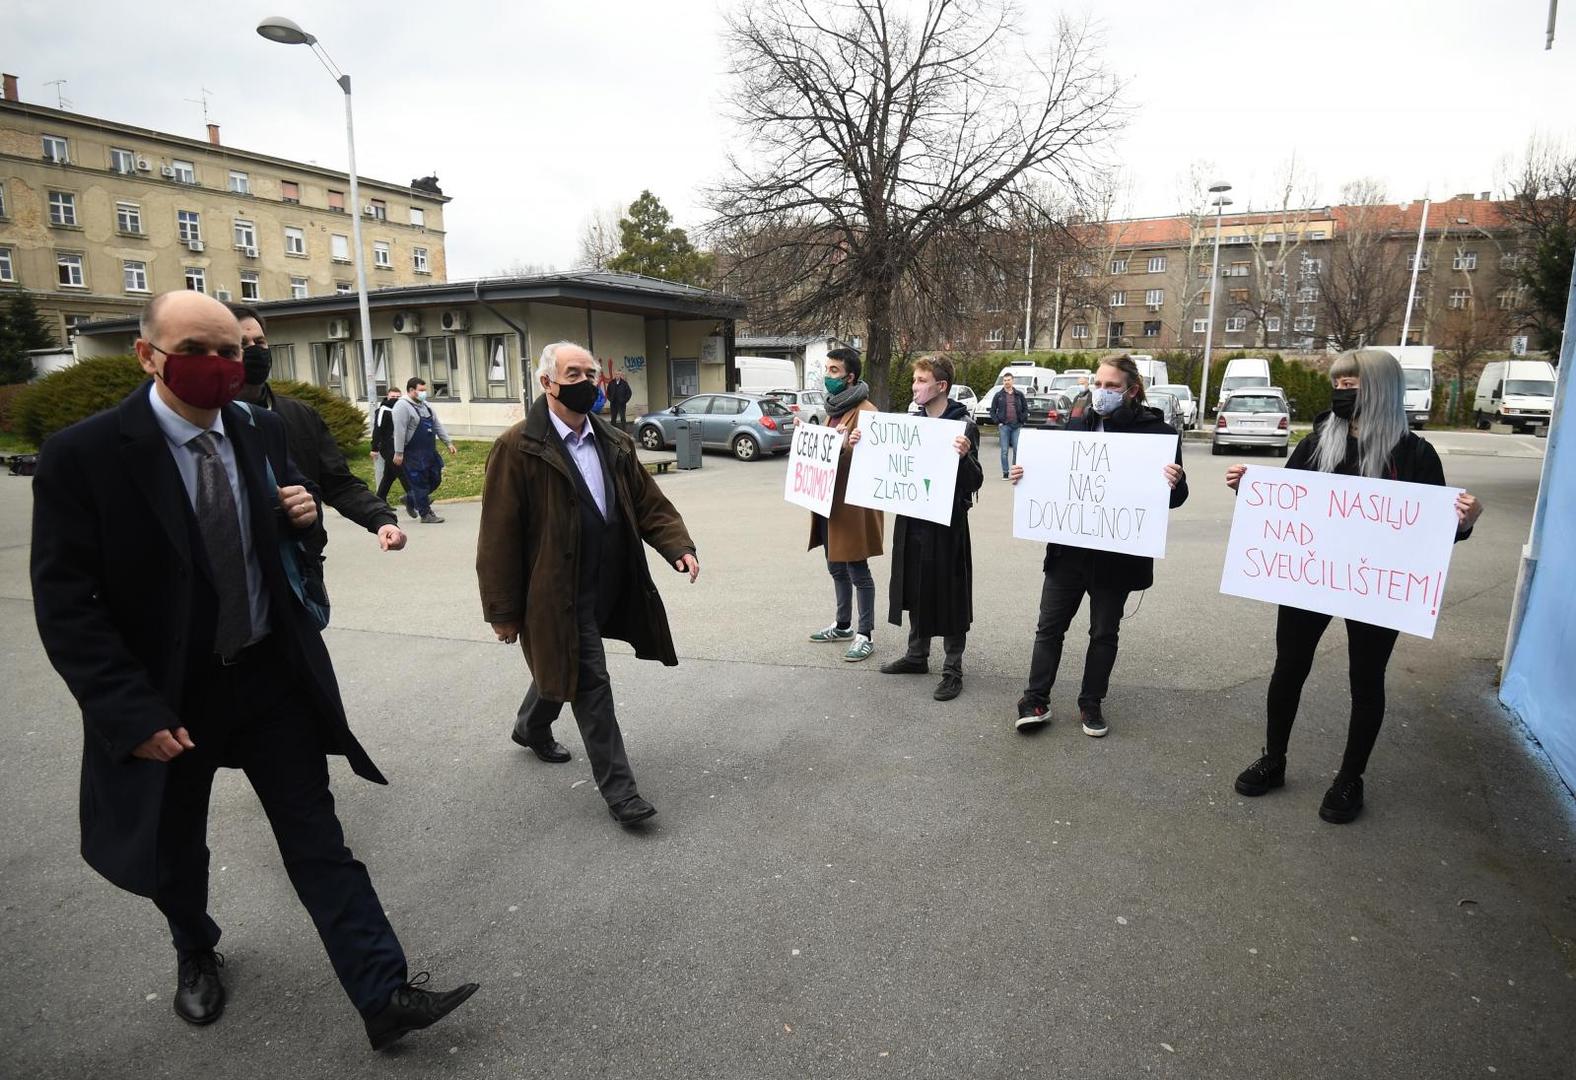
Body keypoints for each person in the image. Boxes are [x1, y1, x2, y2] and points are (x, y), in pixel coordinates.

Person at [29, 290, 476, 1050]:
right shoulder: (87, 455)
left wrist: (297, 522)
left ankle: (384, 993)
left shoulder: (261, 429)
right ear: (148, 355)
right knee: (177, 847)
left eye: (232, 351)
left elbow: (271, 545)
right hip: (171, 695)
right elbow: (68, 604)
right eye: (198, 350)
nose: (221, 365)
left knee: (318, 840)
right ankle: (195, 948)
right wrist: (128, 712)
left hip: (269, 676)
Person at [1227, 348, 1483, 824]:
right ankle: (1274, 758)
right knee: (1289, 666)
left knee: (1365, 681)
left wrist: (1466, 521)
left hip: (1376, 588)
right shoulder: (1318, 441)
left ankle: (1350, 777)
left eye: (1353, 383)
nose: (1342, 391)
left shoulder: (1415, 454)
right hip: (1312, 579)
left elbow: (1435, 530)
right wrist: (1251, 490)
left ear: (1381, 389)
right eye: (1338, 383)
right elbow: (1287, 503)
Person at [477, 341, 700, 827]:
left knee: (563, 665)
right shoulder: (517, 448)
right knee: (591, 681)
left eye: (590, 374)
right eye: (572, 374)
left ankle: (530, 726)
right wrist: (502, 611)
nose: (585, 383)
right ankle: (622, 794)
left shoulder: (612, 441)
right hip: (557, 591)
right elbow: (498, 536)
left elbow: (648, 503)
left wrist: (678, 547)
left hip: (609, 581)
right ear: (546, 383)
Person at [1010, 355, 1187, 738]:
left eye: (1111, 386)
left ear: (1132, 391)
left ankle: (1091, 703)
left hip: (1116, 557)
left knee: (1104, 632)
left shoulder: (1156, 435)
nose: (1101, 393)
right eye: (1098, 384)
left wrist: (1176, 481)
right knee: (1049, 628)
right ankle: (1035, 699)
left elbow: (1175, 499)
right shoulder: (1079, 423)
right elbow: (1053, 477)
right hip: (1068, 551)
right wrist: (1025, 475)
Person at [230, 305, 405, 552]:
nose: (254, 351)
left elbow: (339, 484)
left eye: (259, 342)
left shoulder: (299, 415)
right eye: (242, 344)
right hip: (244, 566)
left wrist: (381, 520)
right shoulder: (211, 422)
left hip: (304, 565)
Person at [876, 356, 983, 700]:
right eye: (914, 380)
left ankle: (953, 667)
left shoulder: (962, 426)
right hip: (912, 521)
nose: (915, 386)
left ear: (941, 387)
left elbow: (974, 481)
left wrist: (965, 456)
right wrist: (861, 443)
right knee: (916, 586)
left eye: (921, 380)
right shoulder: (912, 424)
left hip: (947, 525)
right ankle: (916, 655)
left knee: (950, 592)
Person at [805, 346, 883, 662]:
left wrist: (848, 447)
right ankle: (843, 625)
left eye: (834, 371)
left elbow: (874, 461)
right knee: (835, 566)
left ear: (850, 377)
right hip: (829, 503)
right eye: (827, 370)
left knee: (857, 570)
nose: (828, 376)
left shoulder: (868, 412)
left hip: (853, 508)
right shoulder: (834, 410)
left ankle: (865, 634)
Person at [391, 377, 457, 524]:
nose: (423, 393)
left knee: (435, 479)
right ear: (411, 390)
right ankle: (426, 514)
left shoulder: (426, 405)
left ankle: (410, 498)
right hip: (412, 453)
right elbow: (399, 432)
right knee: (419, 483)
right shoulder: (402, 407)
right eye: (420, 390)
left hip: (429, 452)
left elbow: (437, 425)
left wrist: (448, 443)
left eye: (424, 390)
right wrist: (399, 452)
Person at [371, 386, 407, 501]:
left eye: (398, 397)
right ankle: (418, 498)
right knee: (402, 472)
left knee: (389, 476)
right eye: (393, 397)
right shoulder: (383, 410)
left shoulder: (401, 409)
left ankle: (380, 500)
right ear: (387, 396)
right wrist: (374, 448)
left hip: (398, 446)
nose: (395, 399)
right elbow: (377, 429)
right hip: (387, 447)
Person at [990, 372, 1028, 479]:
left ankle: (1014, 472)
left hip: (1016, 426)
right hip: (1004, 427)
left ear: (1012, 381)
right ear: (1003, 382)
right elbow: (992, 411)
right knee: (1004, 451)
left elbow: (1025, 409)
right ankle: (1005, 473)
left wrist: (1022, 420)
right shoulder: (998, 395)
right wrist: (998, 422)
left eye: (1009, 380)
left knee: (1016, 449)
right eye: (1005, 380)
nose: (1007, 382)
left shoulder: (1019, 394)